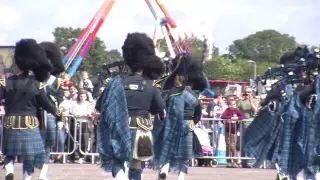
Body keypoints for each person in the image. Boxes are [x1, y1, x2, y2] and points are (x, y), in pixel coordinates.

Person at [95, 32, 166, 180]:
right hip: (143, 129)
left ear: (127, 61)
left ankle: (120, 176)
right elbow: (160, 108)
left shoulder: (116, 82)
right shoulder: (151, 86)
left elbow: (99, 106)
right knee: (137, 164)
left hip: (120, 128)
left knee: (118, 160)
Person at [1, 39, 60, 180]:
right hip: (30, 122)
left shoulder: (5, 83)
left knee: (9, 151)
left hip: (10, 120)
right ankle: (26, 177)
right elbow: (47, 105)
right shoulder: (37, 85)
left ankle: (9, 170)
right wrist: (57, 112)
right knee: (28, 154)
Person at [151, 53, 204, 180]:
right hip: (186, 123)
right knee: (183, 155)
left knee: (167, 149)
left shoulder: (166, 89)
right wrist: (193, 121)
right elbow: (197, 110)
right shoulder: (191, 93)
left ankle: (164, 169)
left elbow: (159, 106)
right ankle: (180, 177)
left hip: (168, 123)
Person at [32, 41, 65, 180]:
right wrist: (59, 118)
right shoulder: (55, 81)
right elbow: (59, 101)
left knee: (42, 145)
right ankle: (42, 173)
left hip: (36, 115)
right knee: (45, 146)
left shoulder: (32, 79)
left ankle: (35, 173)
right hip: (47, 115)